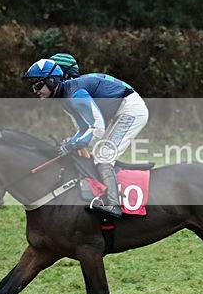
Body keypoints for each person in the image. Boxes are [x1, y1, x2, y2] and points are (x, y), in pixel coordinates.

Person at [22, 58, 149, 218]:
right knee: (98, 154)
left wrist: (73, 145)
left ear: (52, 81)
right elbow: (83, 129)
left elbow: (97, 129)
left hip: (131, 111)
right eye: (33, 86)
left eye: (38, 85)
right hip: (120, 110)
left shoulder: (76, 95)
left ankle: (114, 205)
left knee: (103, 156)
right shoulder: (64, 98)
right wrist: (70, 143)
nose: (35, 91)